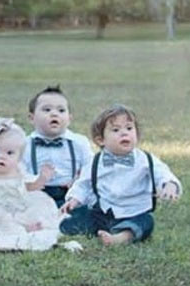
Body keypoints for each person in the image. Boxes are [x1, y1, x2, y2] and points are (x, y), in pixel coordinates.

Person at [60, 104, 181, 245]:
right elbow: (84, 184)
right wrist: (75, 200)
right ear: (101, 140)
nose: (124, 133)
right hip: (102, 211)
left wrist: (169, 185)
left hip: (133, 212)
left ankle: (121, 237)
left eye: (129, 128)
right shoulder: (95, 161)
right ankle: (59, 227)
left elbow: (162, 173)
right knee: (75, 216)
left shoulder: (145, 160)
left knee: (146, 222)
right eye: (116, 130)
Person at [0, 118, 60, 234]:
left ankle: (26, 227)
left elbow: (31, 187)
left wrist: (42, 178)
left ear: (19, 158)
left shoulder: (19, 173)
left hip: (15, 209)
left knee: (18, 218)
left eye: (9, 153)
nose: (2, 156)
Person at [22, 85, 93, 206]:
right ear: (31, 118)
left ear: (69, 118)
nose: (54, 114)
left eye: (61, 110)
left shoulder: (79, 143)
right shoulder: (24, 145)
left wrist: (77, 183)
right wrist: (35, 181)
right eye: (47, 110)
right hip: (36, 195)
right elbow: (18, 172)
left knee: (78, 216)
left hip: (70, 194)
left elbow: (90, 169)